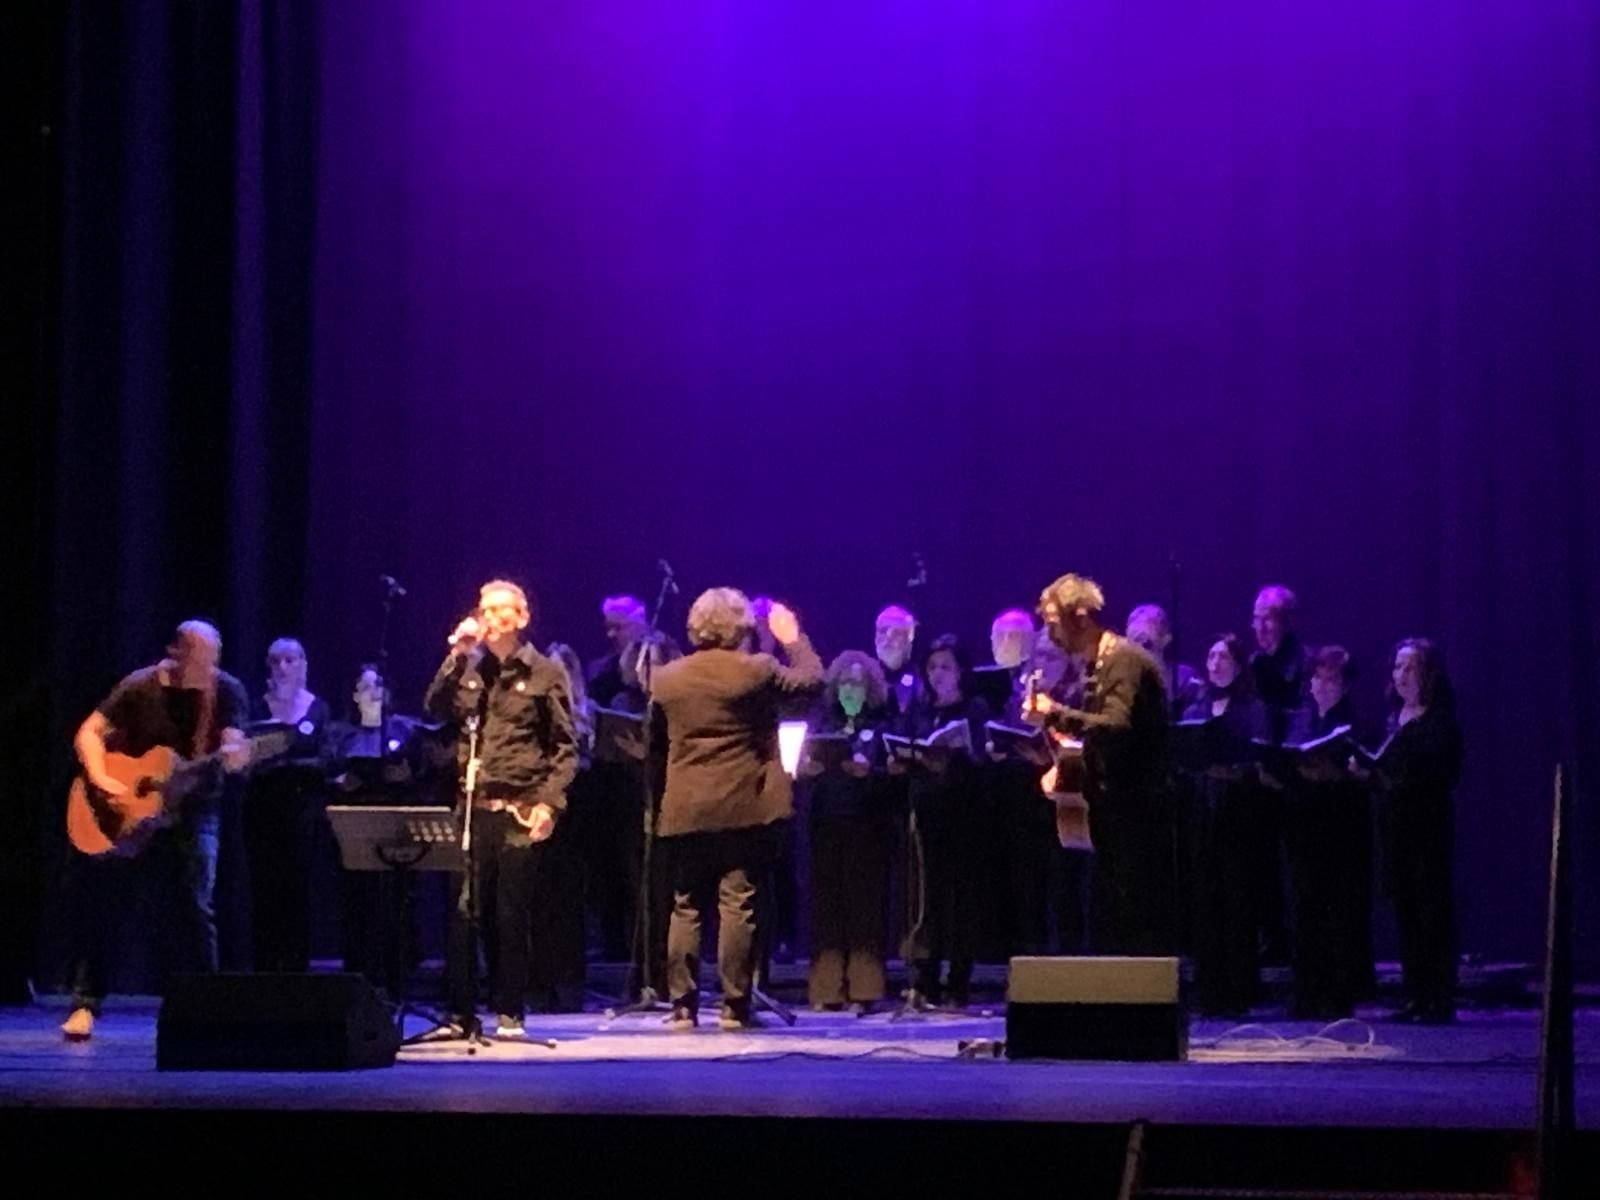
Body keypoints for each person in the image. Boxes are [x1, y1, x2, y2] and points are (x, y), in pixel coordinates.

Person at [61, 620, 250, 1040]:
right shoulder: (140, 686)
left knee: (196, 907)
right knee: (107, 903)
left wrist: (235, 755)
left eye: (213, 657)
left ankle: (207, 1007)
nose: (208, 667)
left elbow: (234, 745)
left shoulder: (227, 691)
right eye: (200, 658)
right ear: (175, 654)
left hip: (197, 810)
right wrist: (101, 779)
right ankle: (85, 1004)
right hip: (130, 809)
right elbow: (89, 732)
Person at [651, 588, 822, 1030]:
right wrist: (792, 638)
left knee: (685, 906)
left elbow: (653, 746)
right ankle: (734, 1006)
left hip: (686, 807)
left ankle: (682, 1007)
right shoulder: (755, 670)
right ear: (742, 626)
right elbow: (811, 682)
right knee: (737, 903)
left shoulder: (667, 678)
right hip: (742, 806)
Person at [425, 580, 578, 1038]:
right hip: (473, 808)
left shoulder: (545, 672)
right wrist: (455, 656)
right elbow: (434, 709)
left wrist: (550, 804)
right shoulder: (471, 670)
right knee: (463, 910)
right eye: (485, 610)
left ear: (522, 617)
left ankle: (510, 1008)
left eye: (501, 611)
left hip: (520, 808)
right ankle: (459, 1014)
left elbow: (566, 747)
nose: (491, 618)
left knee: (511, 913)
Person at [1025, 574, 1173, 956]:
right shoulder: (1095, 663)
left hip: (1137, 811)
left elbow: (1116, 726)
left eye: (1054, 622)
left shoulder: (1123, 660)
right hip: (1112, 810)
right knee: (1108, 915)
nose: (1050, 634)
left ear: (1081, 617)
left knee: (1131, 918)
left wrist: (1054, 714)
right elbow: (1097, 737)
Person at [1366, 638, 1462, 1024]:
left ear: (1428, 674)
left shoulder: (1440, 721)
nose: (1401, 674)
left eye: (1410, 667)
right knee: (1405, 909)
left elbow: (1447, 772)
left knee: (1431, 909)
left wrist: (1405, 772)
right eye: (1397, 667)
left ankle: (1438, 996)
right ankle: (1414, 994)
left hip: (1428, 826)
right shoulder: (1393, 718)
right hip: (1396, 826)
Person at [1181, 635, 1271, 1016]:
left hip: (1239, 818)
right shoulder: (1195, 707)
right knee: (1206, 905)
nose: (1215, 663)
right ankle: (1208, 989)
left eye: (1223, 657)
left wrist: (1232, 772)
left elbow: (1262, 758)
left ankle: (1237, 990)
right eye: (1211, 655)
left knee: (1237, 905)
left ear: (1238, 665)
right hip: (1202, 818)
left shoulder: (1252, 709)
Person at [1282, 645, 1374, 1019]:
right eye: (1316, 677)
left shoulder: (1355, 722)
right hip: (1304, 823)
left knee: (1338, 910)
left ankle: (1337, 995)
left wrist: (1340, 775)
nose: (1321, 685)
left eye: (1330, 678)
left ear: (1345, 684)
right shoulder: (1301, 720)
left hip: (1342, 825)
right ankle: (1306, 993)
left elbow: (1370, 772)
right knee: (1305, 908)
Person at [802, 650, 894, 1012]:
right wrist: (807, 770)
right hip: (825, 825)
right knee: (826, 908)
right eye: (844, 683)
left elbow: (893, 780)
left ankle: (865, 990)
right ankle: (826, 990)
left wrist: (869, 772)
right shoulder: (822, 722)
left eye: (857, 683)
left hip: (868, 828)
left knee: (864, 909)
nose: (850, 690)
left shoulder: (883, 724)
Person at [902, 635, 991, 1008]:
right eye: (932, 668)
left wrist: (965, 754)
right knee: (927, 898)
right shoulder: (920, 709)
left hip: (964, 812)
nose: (938, 675)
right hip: (926, 812)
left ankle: (958, 981)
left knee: (961, 898)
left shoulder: (974, 708)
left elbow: (983, 758)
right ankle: (924, 979)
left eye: (946, 668)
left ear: (961, 672)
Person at [244, 637, 332, 973]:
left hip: (302, 810)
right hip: (261, 810)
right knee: (265, 890)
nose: (283, 668)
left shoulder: (318, 708)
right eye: (276, 661)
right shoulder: (256, 708)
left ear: (303, 665)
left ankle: (296, 971)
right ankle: (265, 971)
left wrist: (282, 760)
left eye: (290, 661)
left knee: (298, 891)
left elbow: (326, 759)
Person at [1247, 584, 1308, 964]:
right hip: (1259, 780)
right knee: (1261, 868)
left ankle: (1299, 948)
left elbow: (1303, 721)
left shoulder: (1304, 663)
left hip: (1295, 782)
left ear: (1288, 621)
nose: (1262, 626)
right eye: (1257, 619)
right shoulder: (1253, 664)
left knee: (1297, 872)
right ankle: (1270, 942)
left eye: (1269, 618)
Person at [1126, 603, 1204, 718]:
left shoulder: (1186, 680)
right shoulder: (1120, 683)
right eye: (1132, 647)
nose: (1139, 654)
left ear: (1165, 640)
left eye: (1146, 644)